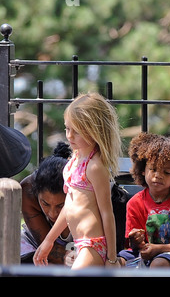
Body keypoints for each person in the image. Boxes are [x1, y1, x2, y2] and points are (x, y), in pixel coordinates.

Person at [33, 92, 122, 269]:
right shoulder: (75, 159)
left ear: (95, 131)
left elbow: (107, 213)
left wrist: (112, 259)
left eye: (77, 131)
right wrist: (48, 241)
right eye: (67, 128)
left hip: (93, 244)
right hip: (80, 244)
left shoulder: (95, 166)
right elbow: (70, 205)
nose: (69, 136)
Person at [118, 133, 170, 268]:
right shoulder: (135, 203)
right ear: (142, 170)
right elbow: (133, 247)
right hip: (142, 253)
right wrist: (136, 240)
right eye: (153, 169)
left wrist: (157, 249)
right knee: (116, 263)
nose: (158, 175)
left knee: (158, 264)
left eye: (167, 172)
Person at [20, 142, 73, 265]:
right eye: (45, 203)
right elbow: (48, 250)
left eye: (61, 206)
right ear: (36, 192)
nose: (52, 213)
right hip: (35, 247)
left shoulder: (85, 190)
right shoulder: (27, 190)